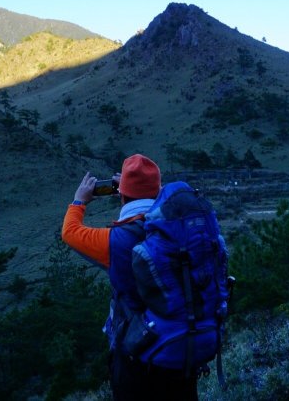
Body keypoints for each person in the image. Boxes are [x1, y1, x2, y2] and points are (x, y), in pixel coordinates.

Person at [60, 154, 198, 400]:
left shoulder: (114, 242)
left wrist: (79, 201)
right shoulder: (183, 225)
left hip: (137, 356)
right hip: (183, 349)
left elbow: (70, 232)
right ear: (159, 190)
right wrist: (144, 188)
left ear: (122, 194)